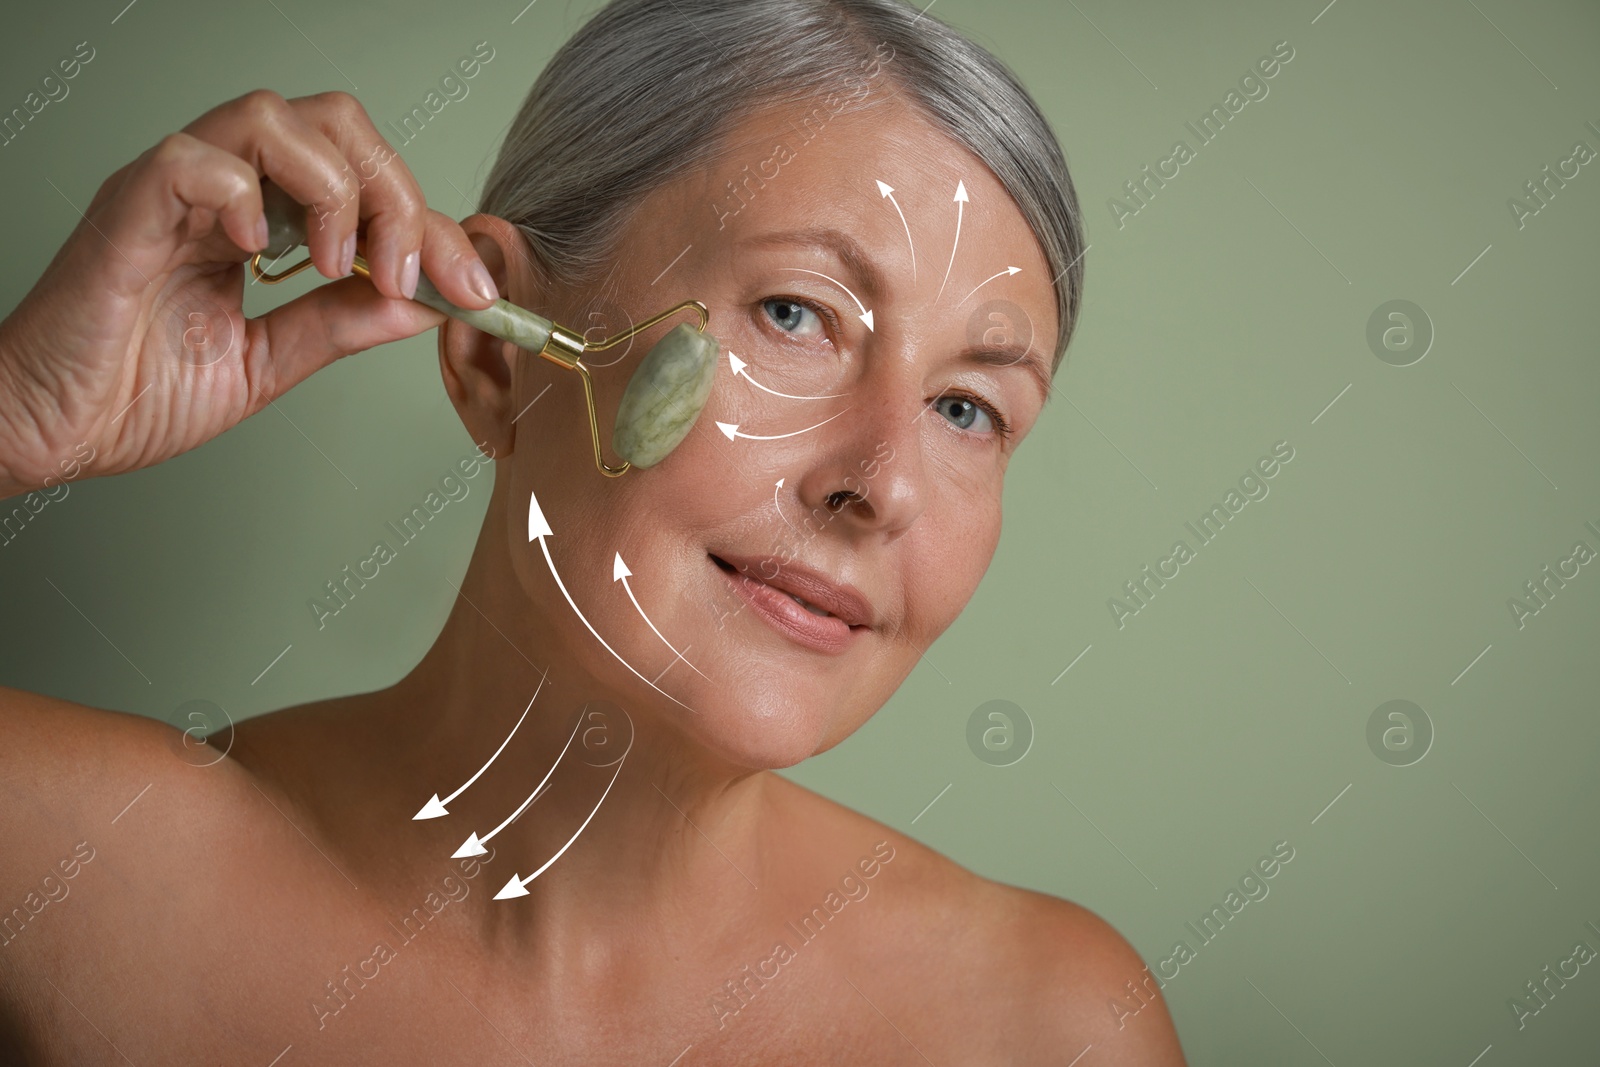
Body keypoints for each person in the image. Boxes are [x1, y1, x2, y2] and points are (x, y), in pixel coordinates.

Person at [0, 0, 1186, 1061]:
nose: (881, 482)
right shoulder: (59, 878)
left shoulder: (1048, 1024)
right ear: (493, 349)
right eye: (795, 315)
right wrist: (16, 414)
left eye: (966, 407)